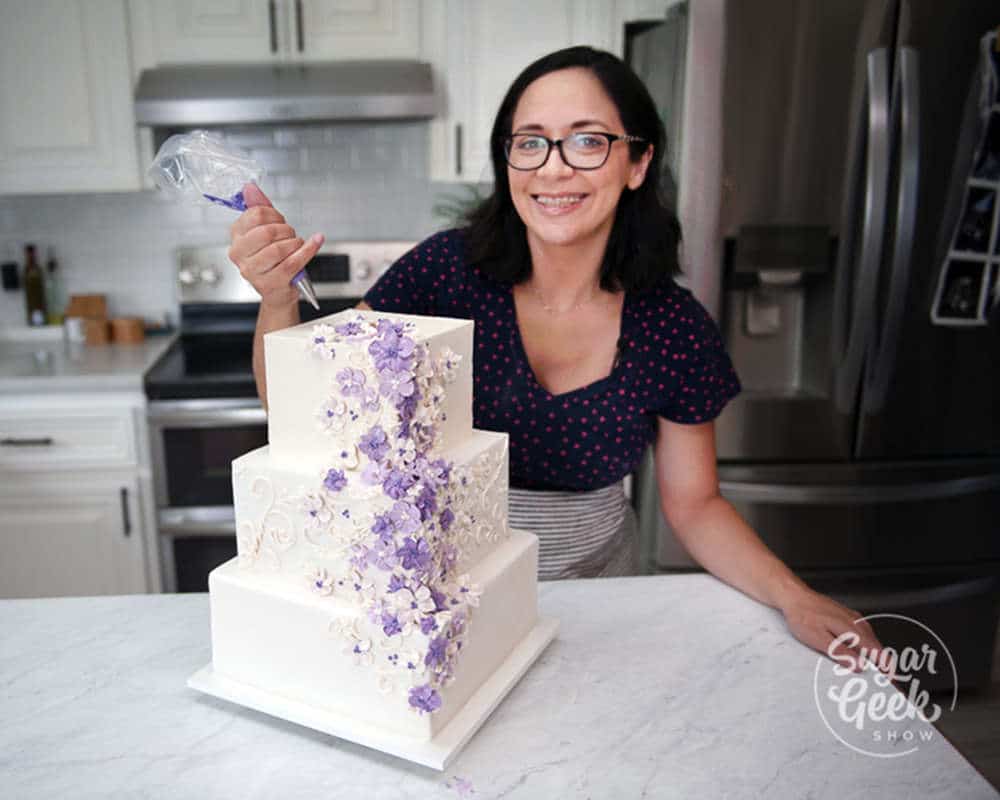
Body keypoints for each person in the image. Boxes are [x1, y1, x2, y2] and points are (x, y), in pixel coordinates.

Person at [228, 46, 886, 669]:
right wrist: (279, 301)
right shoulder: (443, 275)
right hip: (444, 608)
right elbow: (301, 411)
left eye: (587, 140)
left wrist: (795, 596)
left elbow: (695, 504)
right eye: (530, 141)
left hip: (595, 609)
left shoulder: (674, 328)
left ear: (637, 163)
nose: (552, 167)